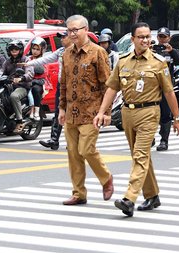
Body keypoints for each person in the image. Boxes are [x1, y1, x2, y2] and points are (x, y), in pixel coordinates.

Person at [94, 22, 179, 217]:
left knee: (140, 155)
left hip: (149, 113)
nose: (145, 40)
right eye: (141, 37)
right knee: (139, 156)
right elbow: (112, 88)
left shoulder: (159, 62)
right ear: (132, 39)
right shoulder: (123, 61)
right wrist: (102, 111)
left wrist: (177, 117)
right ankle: (152, 195)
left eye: (147, 36)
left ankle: (130, 198)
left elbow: (169, 92)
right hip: (127, 113)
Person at [58, 15, 114, 206]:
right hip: (71, 112)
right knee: (73, 154)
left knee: (86, 150)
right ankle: (78, 193)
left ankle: (106, 178)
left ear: (86, 29)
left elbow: (108, 85)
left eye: (76, 30)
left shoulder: (98, 53)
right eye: (69, 31)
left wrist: (106, 112)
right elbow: (63, 83)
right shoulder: (66, 54)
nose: (72, 34)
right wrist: (61, 108)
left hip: (92, 112)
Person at [154, 27, 179, 151]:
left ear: (169, 38)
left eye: (164, 37)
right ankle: (149, 137)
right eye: (160, 36)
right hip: (152, 87)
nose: (162, 39)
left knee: (165, 114)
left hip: (166, 87)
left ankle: (164, 140)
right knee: (150, 113)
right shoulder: (151, 50)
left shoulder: (171, 50)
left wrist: (171, 52)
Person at [0, 40, 34, 133]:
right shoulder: (7, 62)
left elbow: (30, 73)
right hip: (9, 86)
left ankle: (20, 120)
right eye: (12, 49)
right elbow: (1, 72)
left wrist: (22, 78)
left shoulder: (26, 60)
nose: (14, 51)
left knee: (14, 96)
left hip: (22, 87)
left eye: (16, 49)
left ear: (21, 50)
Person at [27, 37, 49, 120]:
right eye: (33, 48)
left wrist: (31, 66)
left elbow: (42, 70)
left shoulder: (44, 59)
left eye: (37, 49)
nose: (35, 51)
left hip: (40, 82)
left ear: (42, 50)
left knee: (35, 89)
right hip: (28, 81)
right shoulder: (28, 58)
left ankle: (36, 111)